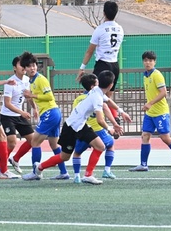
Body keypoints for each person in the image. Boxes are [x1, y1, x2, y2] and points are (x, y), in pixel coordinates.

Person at [23, 71, 130, 185]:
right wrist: (110, 128)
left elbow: (108, 101)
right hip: (71, 127)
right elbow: (100, 120)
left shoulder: (97, 90)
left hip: (81, 125)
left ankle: (88, 175)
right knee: (64, 157)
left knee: (100, 146)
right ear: (111, 85)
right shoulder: (97, 96)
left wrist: (121, 112)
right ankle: (39, 168)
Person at [12, 51, 70, 179]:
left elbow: (49, 96)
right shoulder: (31, 81)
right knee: (54, 145)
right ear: (25, 68)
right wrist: (34, 107)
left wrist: (31, 95)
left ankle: (35, 172)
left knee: (34, 142)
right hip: (53, 113)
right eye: (29, 66)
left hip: (50, 113)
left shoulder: (40, 79)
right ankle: (64, 172)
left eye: (34, 65)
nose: (32, 68)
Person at [129, 51, 171, 172]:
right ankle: (143, 164)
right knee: (145, 136)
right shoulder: (146, 75)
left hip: (160, 112)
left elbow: (163, 92)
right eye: (145, 60)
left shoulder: (157, 75)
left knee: (165, 137)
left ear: (154, 62)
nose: (148, 63)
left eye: (150, 60)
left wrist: (150, 103)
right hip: (150, 113)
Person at [70, 82, 125, 183]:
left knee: (77, 153)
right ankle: (106, 170)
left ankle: (76, 176)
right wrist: (112, 125)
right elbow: (105, 110)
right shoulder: (97, 96)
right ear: (92, 86)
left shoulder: (78, 99)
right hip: (98, 130)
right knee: (110, 145)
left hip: (83, 130)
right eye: (96, 82)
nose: (98, 84)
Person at [77, 1, 124, 118]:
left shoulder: (100, 29)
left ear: (104, 13)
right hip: (115, 65)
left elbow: (89, 51)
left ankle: (95, 117)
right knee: (109, 95)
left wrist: (82, 67)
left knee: (94, 92)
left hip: (103, 64)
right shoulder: (120, 29)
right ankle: (115, 117)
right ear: (116, 13)